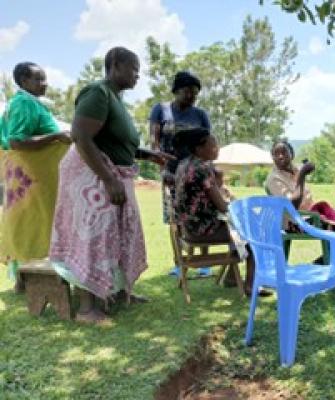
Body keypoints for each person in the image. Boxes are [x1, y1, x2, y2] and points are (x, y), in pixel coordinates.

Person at [49, 47, 173, 323]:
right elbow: (80, 135)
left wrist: (146, 154)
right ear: (115, 65)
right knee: (94, 237)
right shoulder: (98, 93)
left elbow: (115, 141)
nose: (138, 74)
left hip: (111, 173)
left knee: (119, 236)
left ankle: (116, 292)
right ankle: (86, 309)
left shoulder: (115, 99)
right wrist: (108, 178)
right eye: (133, 67)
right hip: (92, 179)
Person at [0, 62, 71, 293]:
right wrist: (57, 136)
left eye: (45, 78)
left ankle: (28, 279)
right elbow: (17, 141)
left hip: (38, 181)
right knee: (29, 225)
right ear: (23, 81)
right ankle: (24, 280)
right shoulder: (22, 103)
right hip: (30, 182)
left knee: (36, 224)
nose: (45, 83)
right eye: (39, 79)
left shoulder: (31, 103)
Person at [172, 128, 262, 296]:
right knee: (253, 234)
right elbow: (222, 206)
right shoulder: (202, 168)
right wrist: (242, 208)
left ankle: (232, 278)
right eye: (213, 145)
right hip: (202, 230)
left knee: (239, 230)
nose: (217, 148)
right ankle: (250, 285)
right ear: (199, 149)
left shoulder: (184, 164)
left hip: (186, 228)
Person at [265, 140, 335, 284]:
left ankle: (318, 268)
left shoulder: (296, 169)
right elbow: (291, 205)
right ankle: (330, 273)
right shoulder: (274, 178)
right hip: (293, 222)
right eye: (276, 154)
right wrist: (302, 176)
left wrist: (306, 169)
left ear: (291, 154)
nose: (280, 156)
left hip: (310, 216)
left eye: (284, 152)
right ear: (272, 157)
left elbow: (306, 182)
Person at [149, 71, 211, 278]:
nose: (191, 96)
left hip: (196, 174)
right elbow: (155, 143)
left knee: (201, 214)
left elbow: (208, 144)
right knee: (175, 218)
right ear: (176, 91)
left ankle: (204, 261)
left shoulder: (200, 115)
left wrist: (207, 172)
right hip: (171, 173)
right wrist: (163, 171)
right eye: (187, 91)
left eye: (195, 93)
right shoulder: (161, 110)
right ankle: (179, 262)